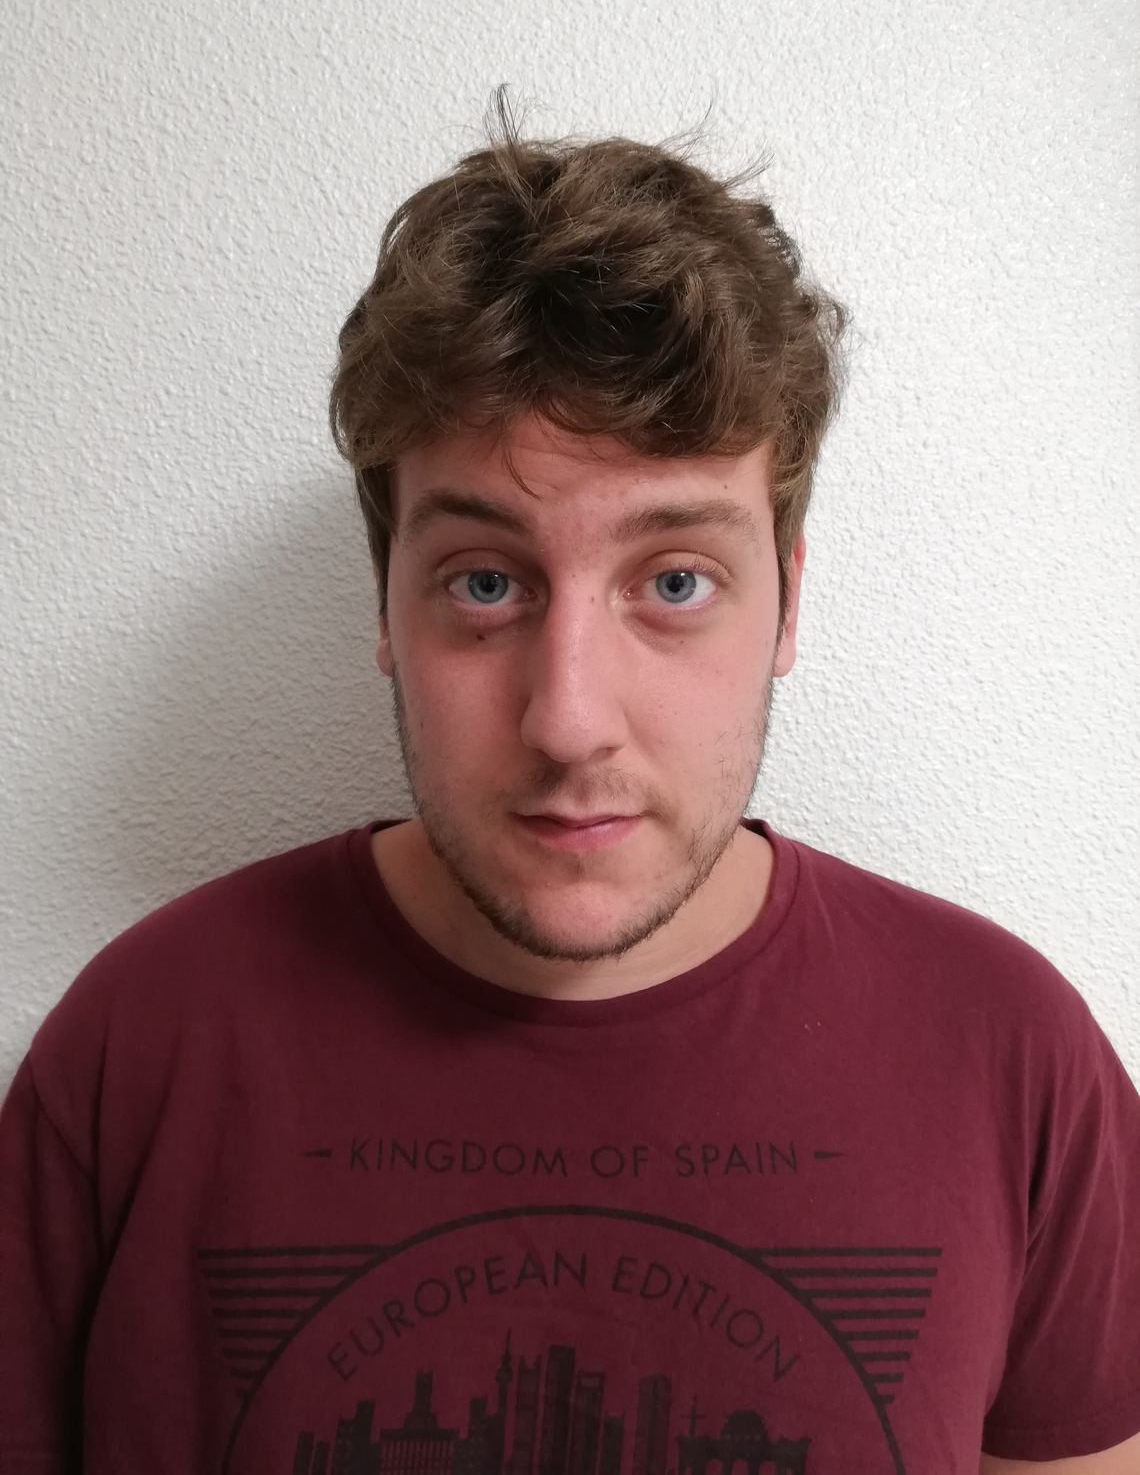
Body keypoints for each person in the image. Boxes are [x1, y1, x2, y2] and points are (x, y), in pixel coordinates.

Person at [1, 109, 1138, 1475]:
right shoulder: (140, 1048)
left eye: (676, 581)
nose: (569, 720)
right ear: (386, 604)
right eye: (485, 582)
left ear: (787, 604)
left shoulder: (1013, 1061)